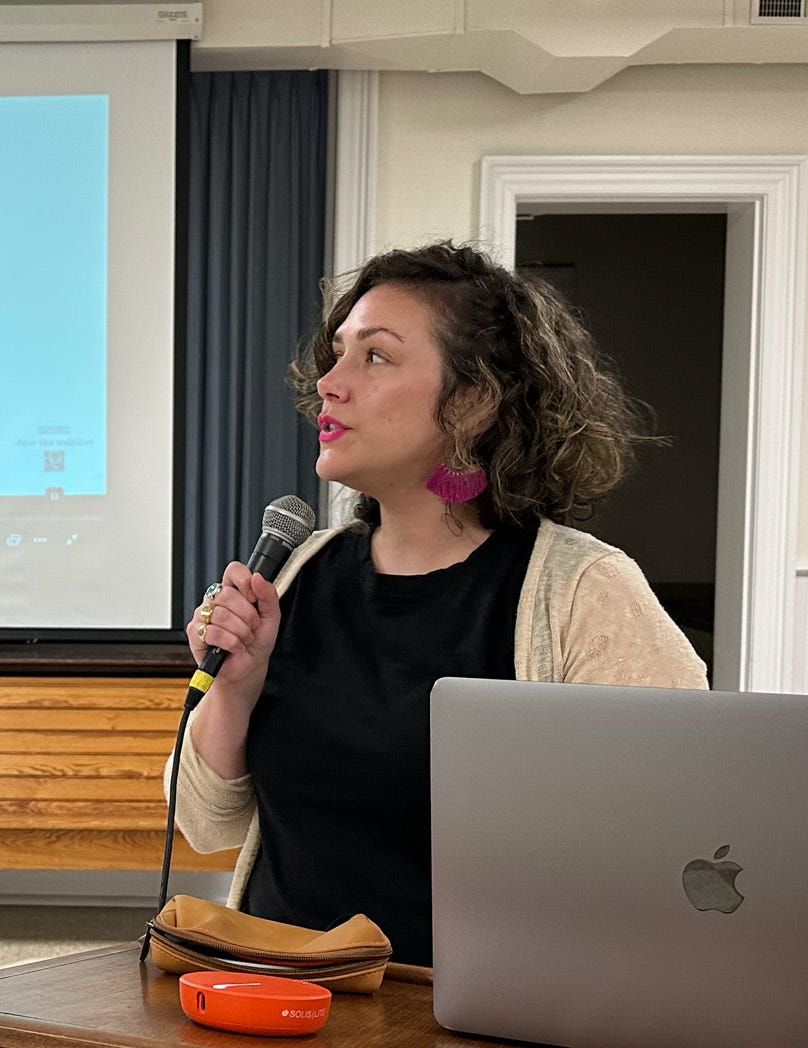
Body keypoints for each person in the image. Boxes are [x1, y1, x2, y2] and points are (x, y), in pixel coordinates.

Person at [167, 241, 707, 968]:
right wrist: (236, 689)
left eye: (375, 357)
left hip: (469, 1016)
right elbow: (205, 825)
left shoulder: (584, 590)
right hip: (275, 997)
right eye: (335, 354)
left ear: (472, 400)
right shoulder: (300, 572)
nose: (330, 383)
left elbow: (675, 839)